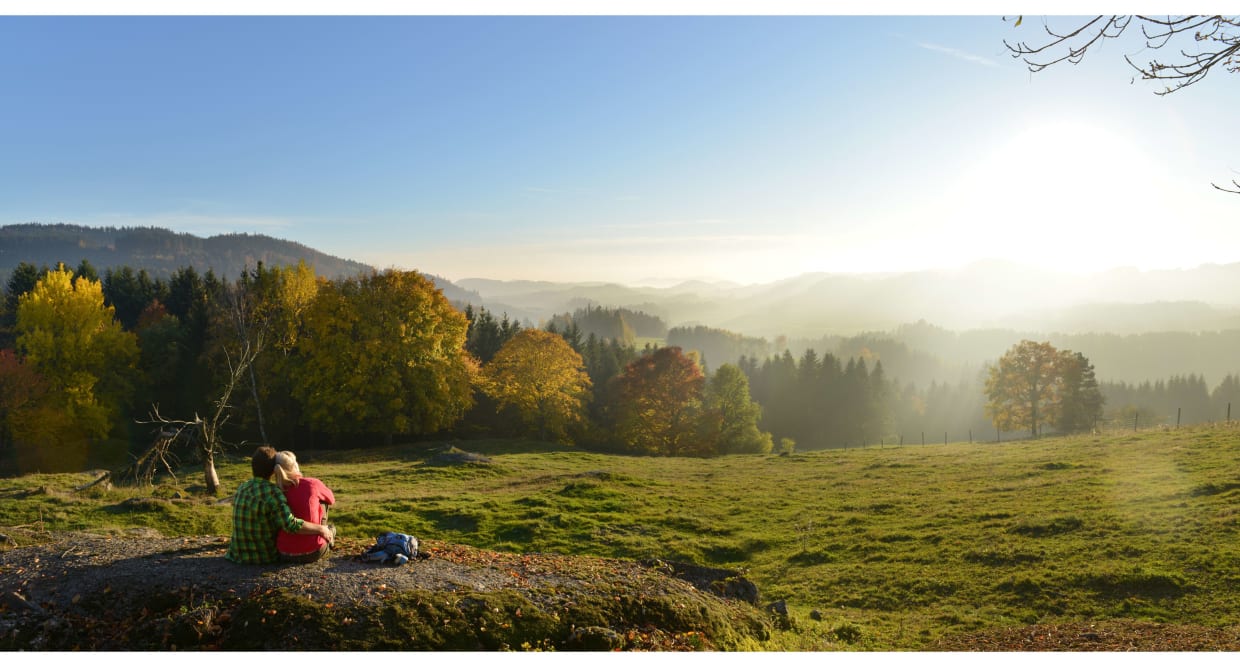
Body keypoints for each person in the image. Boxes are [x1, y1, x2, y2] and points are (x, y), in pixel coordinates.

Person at [225, 446, 334, 565]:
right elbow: (290, 524)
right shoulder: (272, 492)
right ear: (273, 470)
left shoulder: (243, 487)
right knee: (321, 502)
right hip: (263, 557)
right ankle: (325, 534)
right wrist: (321, 528)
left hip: (236, 554)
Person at [272, 450, 337, 563]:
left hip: (283, 552)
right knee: (323, 502)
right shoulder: (311, 483)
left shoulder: (274, 490)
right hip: (314, 551)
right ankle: (326, 533)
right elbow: (331, 499)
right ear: (295, 465)